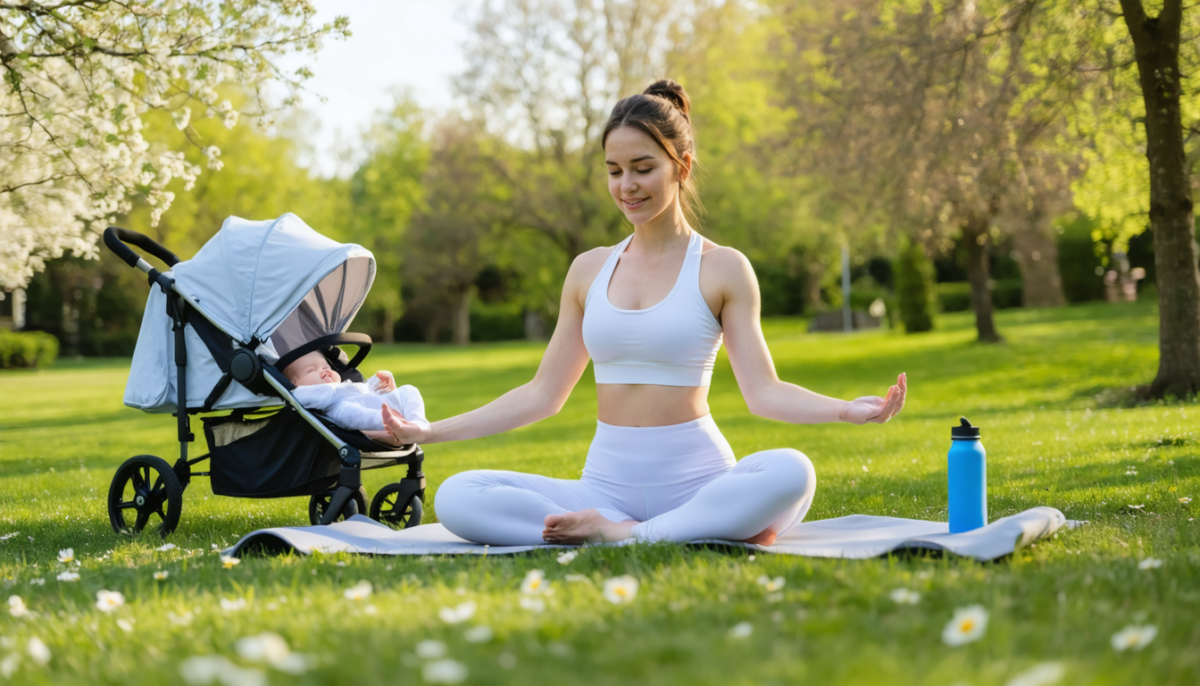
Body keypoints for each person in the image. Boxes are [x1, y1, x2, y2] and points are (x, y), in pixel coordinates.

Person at [382, 79, 906, 547]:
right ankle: (653, 531)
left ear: (682, 166)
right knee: (459, 495)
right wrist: (431, 432)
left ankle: (631, 536)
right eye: (614, 171)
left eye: (642, 168)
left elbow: (763, 392)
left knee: (793, 472)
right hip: (604, 489)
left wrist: (844, 410)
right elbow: (543, 394)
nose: (626, 186)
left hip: (702, 484)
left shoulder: (723, 268)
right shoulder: (588, 270)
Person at [283, 350, 430, 439]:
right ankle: (393, 424)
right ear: (296, 384)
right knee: (351, 412)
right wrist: (384, 419)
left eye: (326, 366)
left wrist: (381, 385)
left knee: (409, 390)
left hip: (378, 404)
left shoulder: (341, 386)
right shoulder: (309, 396)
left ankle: (417, 423)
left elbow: (363, 390)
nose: (324, 371)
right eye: (311, 370)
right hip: (365, 418)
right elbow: (298, 395)